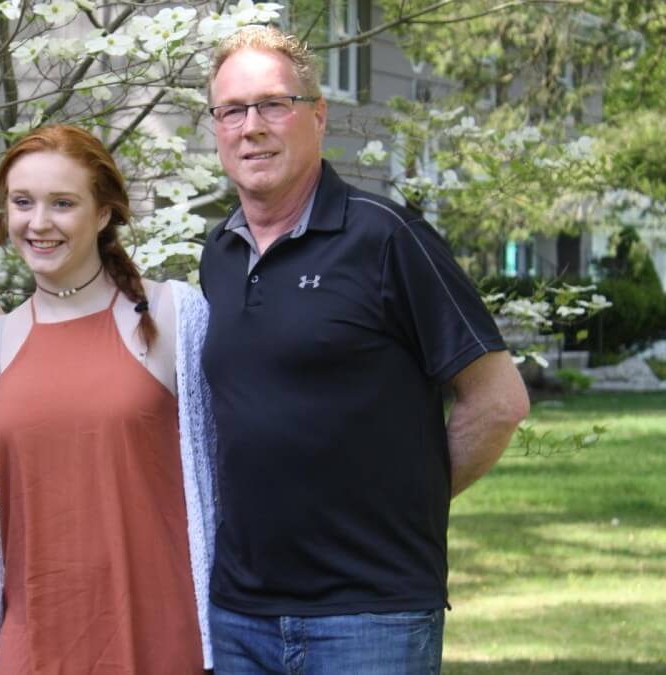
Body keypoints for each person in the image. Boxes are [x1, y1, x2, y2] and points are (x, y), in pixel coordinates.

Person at [199, 25, 531, 674]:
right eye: (231, 110)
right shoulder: (219, 253)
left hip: (371, 615)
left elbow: (498, 402)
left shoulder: (387, 238)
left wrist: (405, 501)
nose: (251, 126)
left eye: (273, 104)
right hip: (240, 614)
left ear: (317, 116)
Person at [0, 125, 219, 675]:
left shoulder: (174, 315)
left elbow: (221, 477)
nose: (39, 222)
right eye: (22, 202)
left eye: (63, 203)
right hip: (32, 646)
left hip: (158, 640)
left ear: (103, 214)